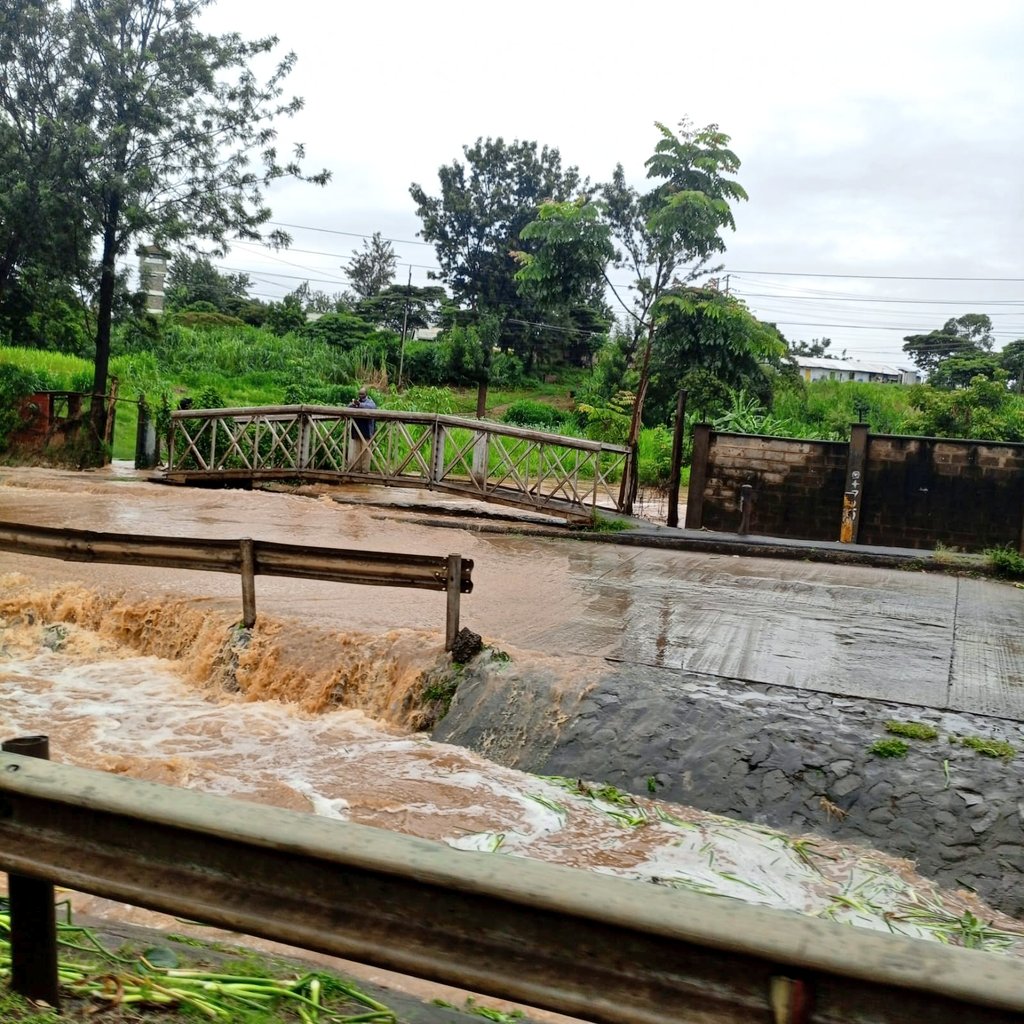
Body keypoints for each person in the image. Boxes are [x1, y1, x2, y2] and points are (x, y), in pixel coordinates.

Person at [348, 386, 377, 472]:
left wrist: (360, 405)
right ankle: (357, 469)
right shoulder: (356, 401)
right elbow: (348, 406)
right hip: (357, 430)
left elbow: (373, 407)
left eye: (362, 394)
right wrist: (354, 404)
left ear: (366, 394)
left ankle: (365, 470)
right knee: (356, 451)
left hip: (366, 430)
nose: (361, 396)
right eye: (360, 394)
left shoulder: (370, 402)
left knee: (366, 451)